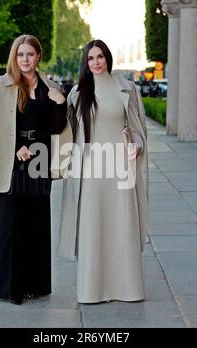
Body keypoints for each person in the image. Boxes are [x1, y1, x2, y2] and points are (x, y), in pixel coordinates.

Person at [0, 34, 67, 305]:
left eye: (30, 54)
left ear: (38, 57)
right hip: (11, 163)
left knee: (36, 224)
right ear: (14, 57)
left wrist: (60, 103)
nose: (25, 59)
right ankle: (9, 288)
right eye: (20, 54)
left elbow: (56, 127)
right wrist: (15, 149)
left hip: (39, 163)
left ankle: (34, 285)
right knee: (9, 226)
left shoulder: (50, 86)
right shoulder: (0, 86)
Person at [58, 39, 148, 304]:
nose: (96, 62)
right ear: (85, 63)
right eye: (91, 58)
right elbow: (65, 133)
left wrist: (137, 147)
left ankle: (128, 289)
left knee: (122, 225)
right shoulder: (77, 93)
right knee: (93, 227)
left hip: (120, 168)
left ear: (108, 58)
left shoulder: (127, 88)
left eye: (100, 57)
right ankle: (92, 290)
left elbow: (138, 129)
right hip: (91, 169)